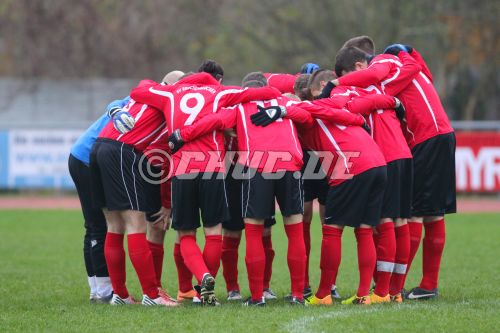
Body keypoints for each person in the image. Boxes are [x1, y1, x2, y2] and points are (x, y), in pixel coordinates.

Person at [130, 61, 281, 306]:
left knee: (186, 234)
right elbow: (268, 92)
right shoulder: (220, 92)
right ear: (214, 80)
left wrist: (166, 86)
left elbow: (138, 91)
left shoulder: (170, 93)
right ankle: (203, 292)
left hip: (182, 168)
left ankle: (202, 277)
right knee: (213, 233)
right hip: (212, 167)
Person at [168, 72, 311, 306]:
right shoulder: (284, 102)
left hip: (257, 168)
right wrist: (284, 110)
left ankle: (256, 297)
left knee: (253, 232)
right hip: (290, 165)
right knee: (294, 231)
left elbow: (211, 122)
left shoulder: (239, 107)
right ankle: (297, 294)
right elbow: (307, 116)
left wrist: (182, 135)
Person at [332, 43, 456, 300]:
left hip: (424, 138)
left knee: (411, 214)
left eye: (348, 76)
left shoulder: (384, 63)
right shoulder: (407, 66)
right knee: (431, 212)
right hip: (440, 134)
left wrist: (335, 86)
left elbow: (373, 77)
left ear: (358, 66)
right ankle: (421, 285)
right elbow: (419, 70)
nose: (351, 83)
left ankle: (392, 289)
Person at [90, 79, 177, 307]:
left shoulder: (143, 94)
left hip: (99, 147)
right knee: (136, 225)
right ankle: (152, 295)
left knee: (114, 225)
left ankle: (120, 295)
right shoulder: (169, 102)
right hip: (121, 152)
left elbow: (136, 89)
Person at [68, 96, 134, 303]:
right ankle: (104, 291)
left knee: (94, 225)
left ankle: (97, 289)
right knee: (100, 225)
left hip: (84, 156)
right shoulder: (143, 99)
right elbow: (114, 104)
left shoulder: (143, 97)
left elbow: (114, 104)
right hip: (88, 159)